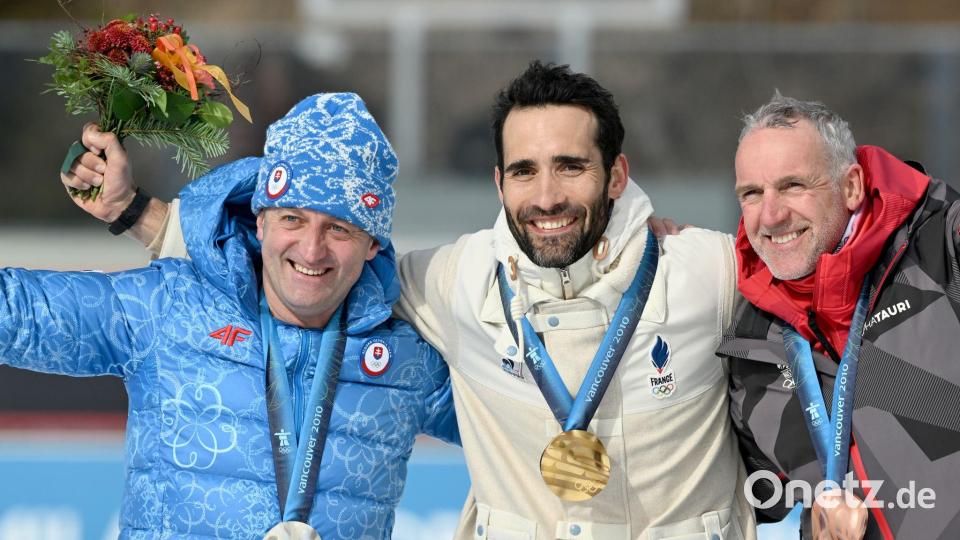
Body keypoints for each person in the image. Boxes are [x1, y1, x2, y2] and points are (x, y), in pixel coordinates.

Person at [64, 63, 756, 539]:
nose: (546, 195)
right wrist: (137, 214)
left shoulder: (709, 269)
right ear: (498, 182)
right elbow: (308, 266)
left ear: (616, 176)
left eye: (571, 167)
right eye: (524, 171)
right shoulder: (455, 280)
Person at [13, 92, 459, 539]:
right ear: (261, 220)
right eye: (292, 219)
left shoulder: (406, 363)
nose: (311, 250)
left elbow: (520, 429)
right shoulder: (170, 308)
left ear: (373, 245)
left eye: (339, 228)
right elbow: (20, 313)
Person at [718, 93, 960, 539]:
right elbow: (754, 503)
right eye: (752, 193)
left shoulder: (943, 251)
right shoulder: (749, 340)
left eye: (793, 185)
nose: (770, 215)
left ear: (850, 186)